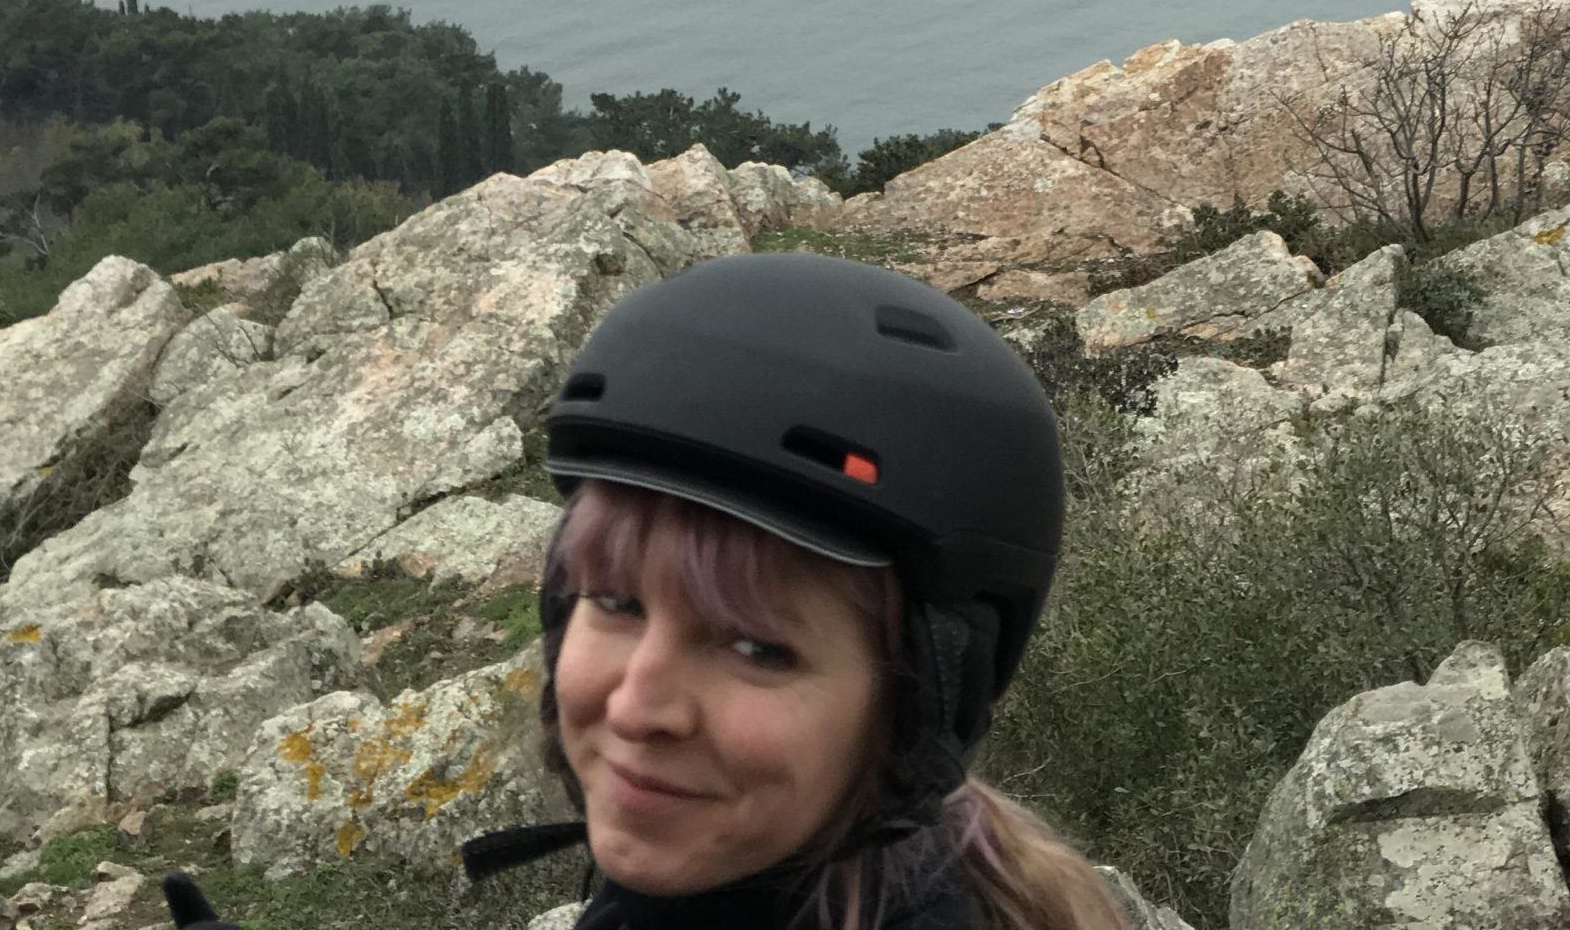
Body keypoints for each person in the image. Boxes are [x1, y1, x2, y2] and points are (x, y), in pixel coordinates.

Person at [166, 250, 1121, 930]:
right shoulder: (791, 883)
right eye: (616, 602)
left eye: (755, 647)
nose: (637, 703)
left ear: (920, 708)